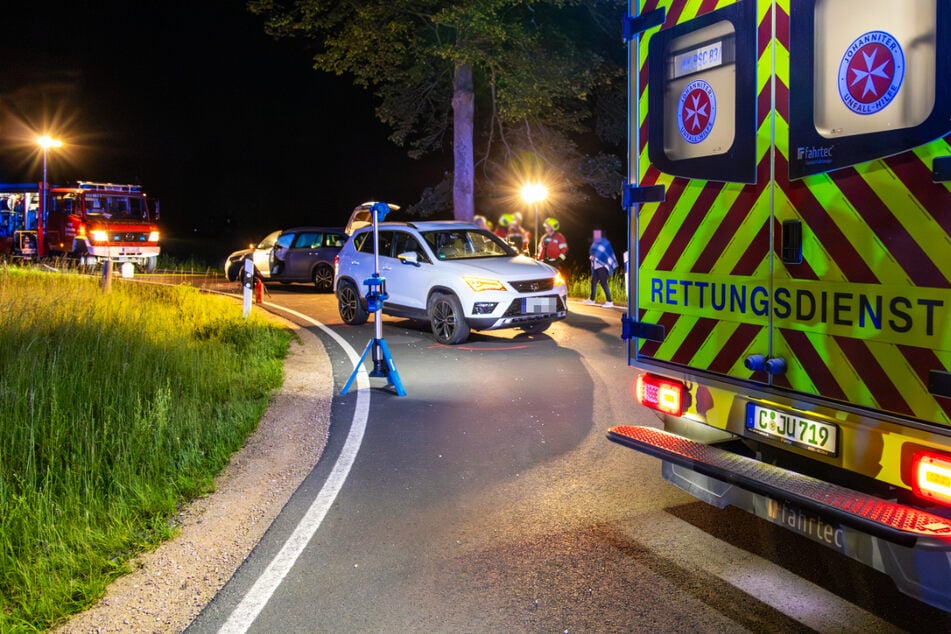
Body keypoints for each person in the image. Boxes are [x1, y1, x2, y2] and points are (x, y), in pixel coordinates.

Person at [585, 227, 618, 308]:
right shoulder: (595, 244)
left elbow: (605, 255)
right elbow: (595, 253)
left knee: (603, 283)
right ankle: (592, 300)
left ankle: (609, 301)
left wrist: (595, 257)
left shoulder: (604, 243)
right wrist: (592, 257)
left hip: (603, 266)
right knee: (593, 282)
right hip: (596, 267)